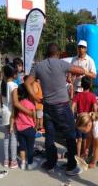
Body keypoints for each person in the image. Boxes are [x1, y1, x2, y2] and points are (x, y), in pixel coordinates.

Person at [25, 43, 86, 176]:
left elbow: (27, 82)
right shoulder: (61, 64)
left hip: (47, 106)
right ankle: (71, 166)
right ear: (58, 53)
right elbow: (81, 71)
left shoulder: (39, 66)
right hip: (62, 106)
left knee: (50, 136)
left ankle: (51, 164)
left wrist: (35, 97)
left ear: (47, 53)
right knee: (70, 135)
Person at [1, 63, 34, 169]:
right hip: (11, 113)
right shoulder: (14, 86)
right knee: (14, 137)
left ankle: (6, 160)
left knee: (6, 137)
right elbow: (16, 103)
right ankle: (14, 161)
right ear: (14, 74)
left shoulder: (4, 84)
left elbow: (2, 100)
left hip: (5, 112)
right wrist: (29, 112)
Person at [71, 76, 97, 157]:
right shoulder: (92, 96)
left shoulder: (78, 95)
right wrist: (93, 118)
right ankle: (84, 155)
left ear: (81, 85)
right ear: (90, 85)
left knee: (79, 139)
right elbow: (95, 108)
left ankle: (78, 156)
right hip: (88, 120)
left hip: (79, 119)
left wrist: (73, 118)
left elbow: (72, 107)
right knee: (86, 139)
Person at [15, 84, 37, 170]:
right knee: (30, 147)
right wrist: (35, 126)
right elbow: (34, 117)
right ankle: (30, 164)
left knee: (22, 146)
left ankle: (23, 163)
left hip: (20, 129)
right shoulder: (30, 104)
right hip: (29, 129)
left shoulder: (17, 104)